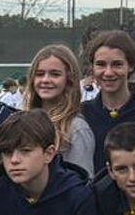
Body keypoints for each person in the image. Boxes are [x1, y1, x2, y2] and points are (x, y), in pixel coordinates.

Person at [25, 44, 96, 178]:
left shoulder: (76, 128)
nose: (46, 80)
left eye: (55, 74)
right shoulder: (23, 121)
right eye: (40, 74)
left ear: (69, 80)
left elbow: (81, 182)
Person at [79, 32, 135, 144]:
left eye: (117, 64)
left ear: (131, 66)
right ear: (92, 67)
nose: (108, 72)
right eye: (101, 64)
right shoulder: (84, 113)